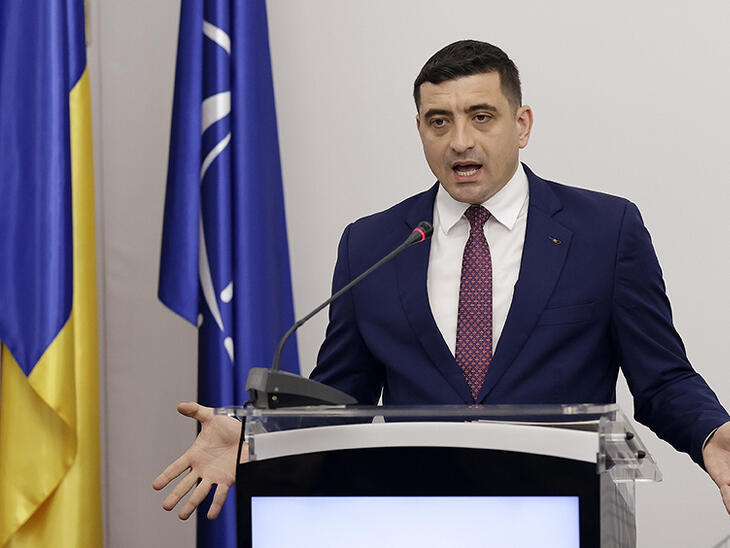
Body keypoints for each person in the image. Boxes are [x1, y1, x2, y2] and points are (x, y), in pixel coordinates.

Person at [153, 40, 730, 521]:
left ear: (521, 124)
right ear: (421, 130)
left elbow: (662, 377)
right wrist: (254, 434)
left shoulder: (606, 230)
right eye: (439, 121)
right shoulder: (373, 244)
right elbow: (340, 399)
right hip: (421, 518)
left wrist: (713, 434)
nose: (460, 141)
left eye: (482, 116)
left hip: (569, 513)